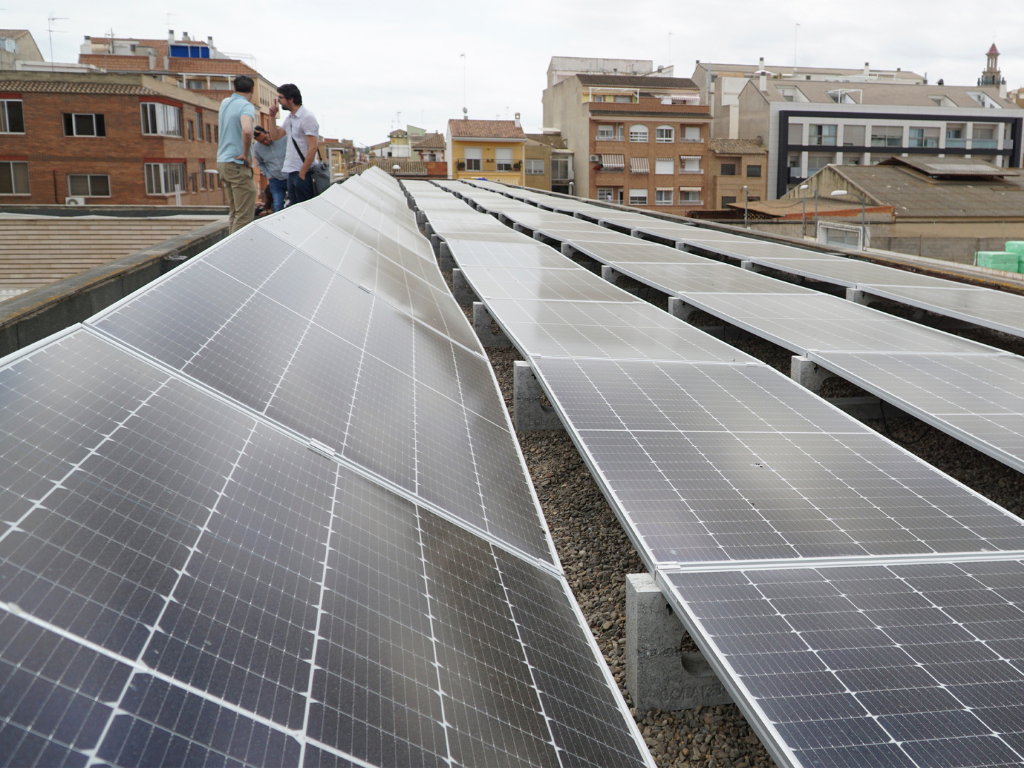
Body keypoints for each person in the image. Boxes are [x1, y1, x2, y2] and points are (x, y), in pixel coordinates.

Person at [216, 75, 257, 233]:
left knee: (234, 213)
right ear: (252, 90)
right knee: (244, 215)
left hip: (223, 163)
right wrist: (245, 154)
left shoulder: (225, 102)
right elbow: (247, 130)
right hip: (237, 164)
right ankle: (238, 252)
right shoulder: (245, 106)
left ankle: (229, 247)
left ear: (234, 89)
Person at [267, 83, 319, 205]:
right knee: (294, 209)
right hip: (291, 171)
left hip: (302, 171)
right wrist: (272, 117)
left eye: (280, 98)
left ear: (291, 99)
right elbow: (275, 136)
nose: (279, 101)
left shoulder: (307, 117)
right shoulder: (290, 118)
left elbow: (313, 148)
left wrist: (303, 172)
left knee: (305, 208)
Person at [252, 125, 288, 213]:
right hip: (275, 179)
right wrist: (269, 175)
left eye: (265, 138)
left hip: (290, 175)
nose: (266, 141)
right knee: (277, 205)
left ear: (267, 132)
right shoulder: (257, 148)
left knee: (295, 202)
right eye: (262, 141)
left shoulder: (282, 138)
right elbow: (260, 163)